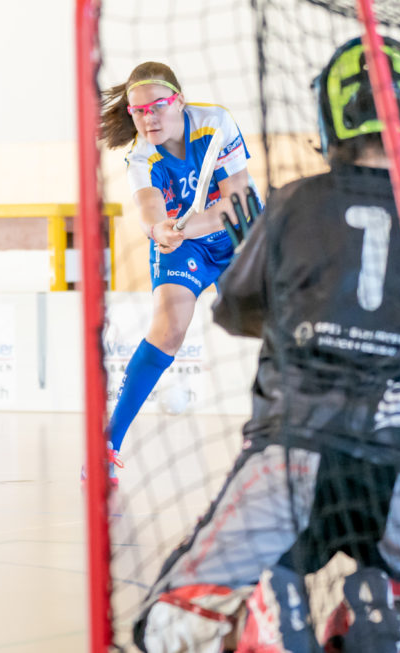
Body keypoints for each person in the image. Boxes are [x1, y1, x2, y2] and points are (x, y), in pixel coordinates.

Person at [134, 37, 400, 653]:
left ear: (330, 119)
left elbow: (239, 312)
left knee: (165, 628)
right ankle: (383, 608)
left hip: (293, 446)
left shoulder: (294, 203)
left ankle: (270, 613)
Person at [95, 60, 256, 484]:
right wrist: (160, 229)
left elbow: (236, 201)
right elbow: (150, 212)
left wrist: (183, 226)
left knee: (275, 324)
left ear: (179, 101)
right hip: (185, 245)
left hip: (237, 233)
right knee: (168, 327)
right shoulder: (141, 156)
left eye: (158, 107)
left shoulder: (214, 123)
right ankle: (107, 445)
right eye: (138, 111)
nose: (149, 118)